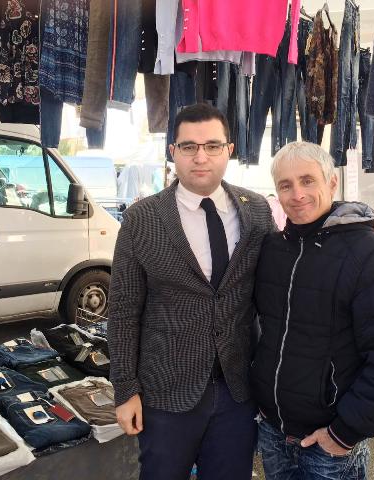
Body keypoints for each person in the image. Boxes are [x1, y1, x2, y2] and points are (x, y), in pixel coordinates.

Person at [107, 103, 274, 480]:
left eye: (212, 146)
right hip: (165, 392)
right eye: (189, 147)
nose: (201, 157)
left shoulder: (257, 212)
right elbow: (123, 312)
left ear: (229, 150)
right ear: (173, 152)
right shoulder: (141, 219)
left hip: (237, 391)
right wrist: (125, 390)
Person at [251, 142, 374, 479]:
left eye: (308, 181)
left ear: (331, 183)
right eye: (285, 185)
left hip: (328, 447)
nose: (297, 194)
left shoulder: (372, 256)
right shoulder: (272, 250)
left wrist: (344, 433)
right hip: (273, 433)